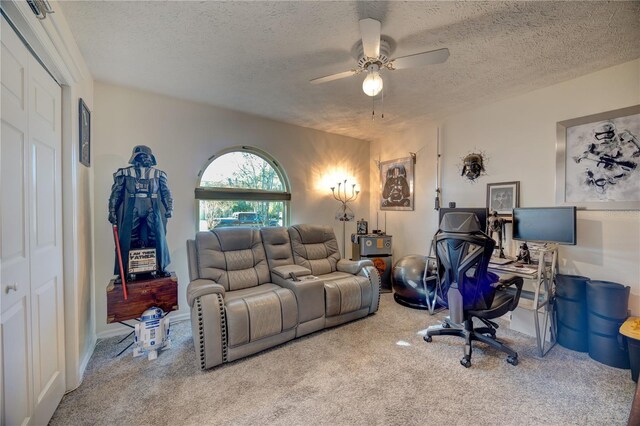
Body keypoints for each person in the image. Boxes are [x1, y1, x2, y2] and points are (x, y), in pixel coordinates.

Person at [109, 145, 173, 279]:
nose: (145, 159)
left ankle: (160, 267)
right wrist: (112, 210)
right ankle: (126, 270)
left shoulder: (159, 174)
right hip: (133, 205)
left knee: (156, 237)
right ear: (135, 157)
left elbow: (166, 192)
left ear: (151, 158)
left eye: (147, 156)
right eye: (142, 156)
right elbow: (116, 193)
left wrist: (169, 207)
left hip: (152, 206)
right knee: (129, 238)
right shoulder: (125, 173)